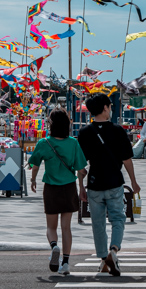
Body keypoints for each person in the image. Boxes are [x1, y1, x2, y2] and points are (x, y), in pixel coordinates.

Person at [76, 93, 140, 277]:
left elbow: (81, 164)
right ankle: (113, 250)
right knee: (118, 219)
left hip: (95, 184)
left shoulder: (84, 132)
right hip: (114, 182)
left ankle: (104, 259)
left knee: (97, 224)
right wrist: (134, 181)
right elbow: (127, 159)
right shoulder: (118, 130)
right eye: (110, 106)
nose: (111, 109)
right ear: (105, 107)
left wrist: (81, 185)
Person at [28, 109, 87, 275]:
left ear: (51, 124)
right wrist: (82, 187)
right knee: (66, 227)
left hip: (51, 188)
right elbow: (81, 169)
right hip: (69, 187)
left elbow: (35, 164)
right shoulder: (73, 143)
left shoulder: (44, 143)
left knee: (51, 227)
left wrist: (33, 180)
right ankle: (66, 263)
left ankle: (54, 247)